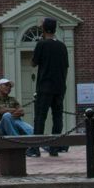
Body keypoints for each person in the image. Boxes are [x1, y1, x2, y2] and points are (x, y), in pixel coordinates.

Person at [30, 17, 70, 152]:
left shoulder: (41, 44)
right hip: (59, 87)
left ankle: (35, 148)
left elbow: (34, 62)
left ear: (43, 29)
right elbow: (66, 67)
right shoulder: (62, 46)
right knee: (57, 117)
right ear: (54, 29)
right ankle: (55, 147)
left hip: (45, 86)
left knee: (40, 117)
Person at [0, 77, 39, 156]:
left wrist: (10, 112)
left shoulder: (12, 99)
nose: (9, 88)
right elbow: (1, 110)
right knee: (7, 116)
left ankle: (45, 145)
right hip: (1, 129)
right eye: (6, 85)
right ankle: (19, 146)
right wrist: (14, 111)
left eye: (10, 86)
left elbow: (22, 112)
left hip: (15, 124)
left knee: (22, 124)